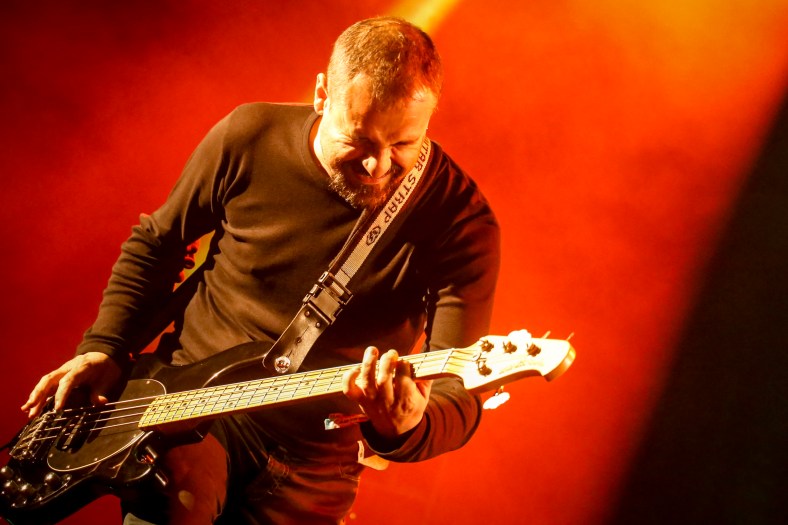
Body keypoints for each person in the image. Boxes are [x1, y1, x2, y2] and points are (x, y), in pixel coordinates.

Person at [21, 16, 500, 525]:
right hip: (187, 408)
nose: (377, 166)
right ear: (322, 94)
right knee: (177, 496)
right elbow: (158, 244)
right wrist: (107, 345)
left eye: (403, 144)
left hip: (312, 466)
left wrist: (407, 426)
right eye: (359, 141)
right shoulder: (249, 135)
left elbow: (460, 393)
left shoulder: (462, 220)